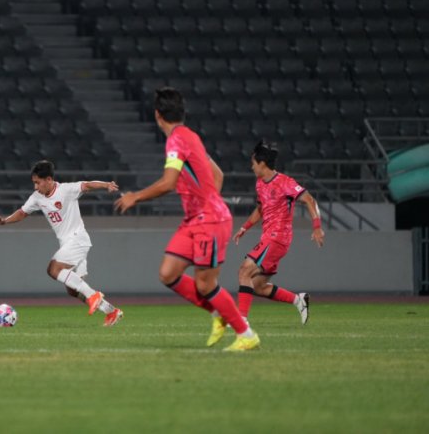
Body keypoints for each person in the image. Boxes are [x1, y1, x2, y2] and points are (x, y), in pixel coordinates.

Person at [114, 87, 259, 351]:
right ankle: (218, 314)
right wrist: (204, 200)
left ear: (157, 115)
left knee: (205, 284)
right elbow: (218, 175)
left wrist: (136, 196)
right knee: (168, 273)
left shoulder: (177, 141)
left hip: (210, 221)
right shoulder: (191, 136)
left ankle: (246, 333)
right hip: (195, 219)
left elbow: (169, 183)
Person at [0, 160, 124, 326]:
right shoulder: (37, 197)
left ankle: (93, 296)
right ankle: (111, 312)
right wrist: (5, 221)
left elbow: (87, 185)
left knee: (53, 269)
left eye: (37, 183)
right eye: (34, 183)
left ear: (48, 180)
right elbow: (22, 212)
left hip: (77, 239)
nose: (35, 187)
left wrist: (106, 185)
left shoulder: (66, 190)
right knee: (73, 289)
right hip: (68, 244)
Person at [231, 141, 325, 328]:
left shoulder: (285, 182)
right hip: (269, 238)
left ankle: (241, 321)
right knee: (257, 286)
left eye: (253, 163)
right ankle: (298, 300)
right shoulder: (260, 184)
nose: (251, 167)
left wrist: (317, 227)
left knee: (244, 270)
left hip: (278, 237)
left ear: (262, 163)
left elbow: (309, 199)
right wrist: (244, 228)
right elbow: (260, 209)